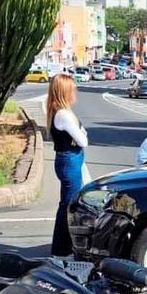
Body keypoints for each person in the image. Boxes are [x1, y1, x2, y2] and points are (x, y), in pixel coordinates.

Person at [47, 74, 88, 256]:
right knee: (68, 206)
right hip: (69, 160)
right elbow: (83, 140)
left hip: (68, 159)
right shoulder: (64, 114)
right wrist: (81, 132)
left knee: (68, 203)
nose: (75, 92)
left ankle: (62, 247)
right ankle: (61, 249)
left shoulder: (59, 111)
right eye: (72, 89)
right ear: (65, 92)